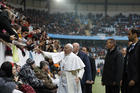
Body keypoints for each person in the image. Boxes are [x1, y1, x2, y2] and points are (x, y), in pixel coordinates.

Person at [122, 29, 140, 93]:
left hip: (135, 81)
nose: (127, 36)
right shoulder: (129, 47)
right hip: (127, 79)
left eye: (129, 34)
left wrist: (135, 79)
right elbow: (126, 63)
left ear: (135, 35)